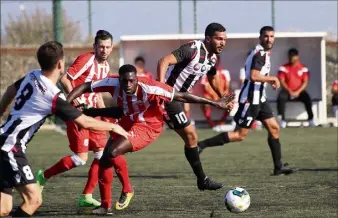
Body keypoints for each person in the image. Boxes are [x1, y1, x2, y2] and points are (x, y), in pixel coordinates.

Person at [66, 64, 234, 215]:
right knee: (103, 162)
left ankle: (127, 190)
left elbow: (182, 96)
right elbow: (85, 86)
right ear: (120, 80)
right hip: (127, 120)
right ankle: (105, 206)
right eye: (125, 81)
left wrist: (215, 103)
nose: (128, 85)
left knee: (112, 151)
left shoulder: (151, 87)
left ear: (137, 80)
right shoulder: (112, 83)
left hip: (148, 126)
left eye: (132, 81)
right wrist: (66, 104)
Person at [0, 41, 129, 217]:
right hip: (10, 148)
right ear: (61, 64)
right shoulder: (53, 96)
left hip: (3, 139)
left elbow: (9, 91)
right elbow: (84, 122)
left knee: (4, 208)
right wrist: (114, 126)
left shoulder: (31, 75)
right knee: (34, 200)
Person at [35, 30, 133, 209]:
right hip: (76, 113)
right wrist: (78, 101)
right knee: (80, 159)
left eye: (107, 47)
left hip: (91, 114)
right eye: (100, 46)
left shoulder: (105, 67)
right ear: (95, 47)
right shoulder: (87, 59)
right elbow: (65, 79)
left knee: (102, 153)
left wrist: (104, 114)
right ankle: (43, 176)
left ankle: (87, 195)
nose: (104, 50)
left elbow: (97, 94)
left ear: (111, 48)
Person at [197, 26, 298, 176]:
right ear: (260, 37)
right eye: (266, 36)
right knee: (239, 135)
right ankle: (201, 145)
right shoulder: (259, 54)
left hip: (260, 98)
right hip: (250, 100)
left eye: (271, 36)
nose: (269, 39)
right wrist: (272, 78)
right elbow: (253, 75)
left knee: (274, 128)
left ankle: (278, 167)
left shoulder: (263, 52)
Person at [157, 22, 233, 190]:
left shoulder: (212, 57)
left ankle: (202, 180)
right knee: (191, 136)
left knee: (191, 138)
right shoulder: (192, 49)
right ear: (208, 38)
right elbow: (164, 61)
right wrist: (161, 90)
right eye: (219, 39)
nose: (223, 42)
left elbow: (212, 77)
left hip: (180, 100)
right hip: (169, 98)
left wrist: (223, 96)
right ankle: (202, 180)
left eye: (225, 39)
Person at [277, 48, 316, 128]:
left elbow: (305, 82)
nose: (291, 58)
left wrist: (298, 92)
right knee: (281, 97)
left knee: (307, 98)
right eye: (290, 57)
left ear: (297, 57)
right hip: (287, 91)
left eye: (293, 57)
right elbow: (282, 81)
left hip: (299, 91)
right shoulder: (283, 67)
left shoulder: (303, 68)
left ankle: (311, 119)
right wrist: (289, 91)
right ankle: (282, 120)